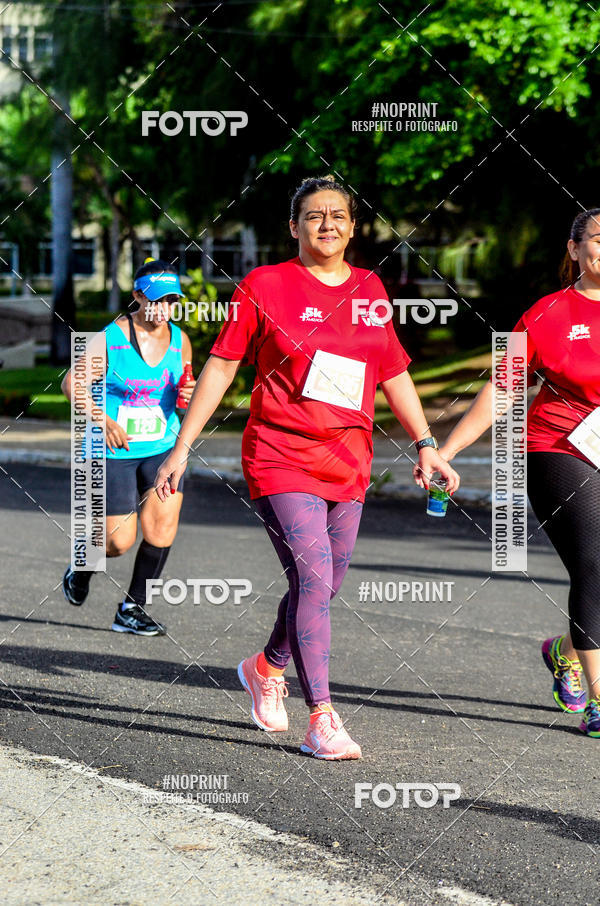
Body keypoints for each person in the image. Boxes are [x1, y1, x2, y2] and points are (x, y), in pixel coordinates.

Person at [154, 175, 459, 759]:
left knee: (320, 582)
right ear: (293, 227)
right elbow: (220, 367)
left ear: (353, 226)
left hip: (349, 460)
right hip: (279, 455)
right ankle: (322, 716)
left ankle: (267, 667)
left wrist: (425, 442)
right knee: (315, 578)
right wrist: (183, 444)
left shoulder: (371, 288)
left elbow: (393, 371)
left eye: (339, 216)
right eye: (314, 216)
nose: (328, 225)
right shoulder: (265, 285)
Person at [438, 208, 600, 738]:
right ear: (574, 249)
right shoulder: (546, 313)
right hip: (559, 448)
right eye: (598, 239)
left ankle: (567, 650)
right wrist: (450, 449)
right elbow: (504, 386)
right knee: (594, 563)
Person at [61, 258, 196, 635]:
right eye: (157, 299)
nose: (165, 308)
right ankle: (80, 564)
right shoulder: (111, 338)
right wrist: (102, 420)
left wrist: (187, 393)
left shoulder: (180, 339)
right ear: (137, 295)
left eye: (172, 300)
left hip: (161, 447)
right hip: (113, 451)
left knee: (161, 532)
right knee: (118, 542)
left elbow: (182, 392)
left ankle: (132, 610)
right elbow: (73, 385)